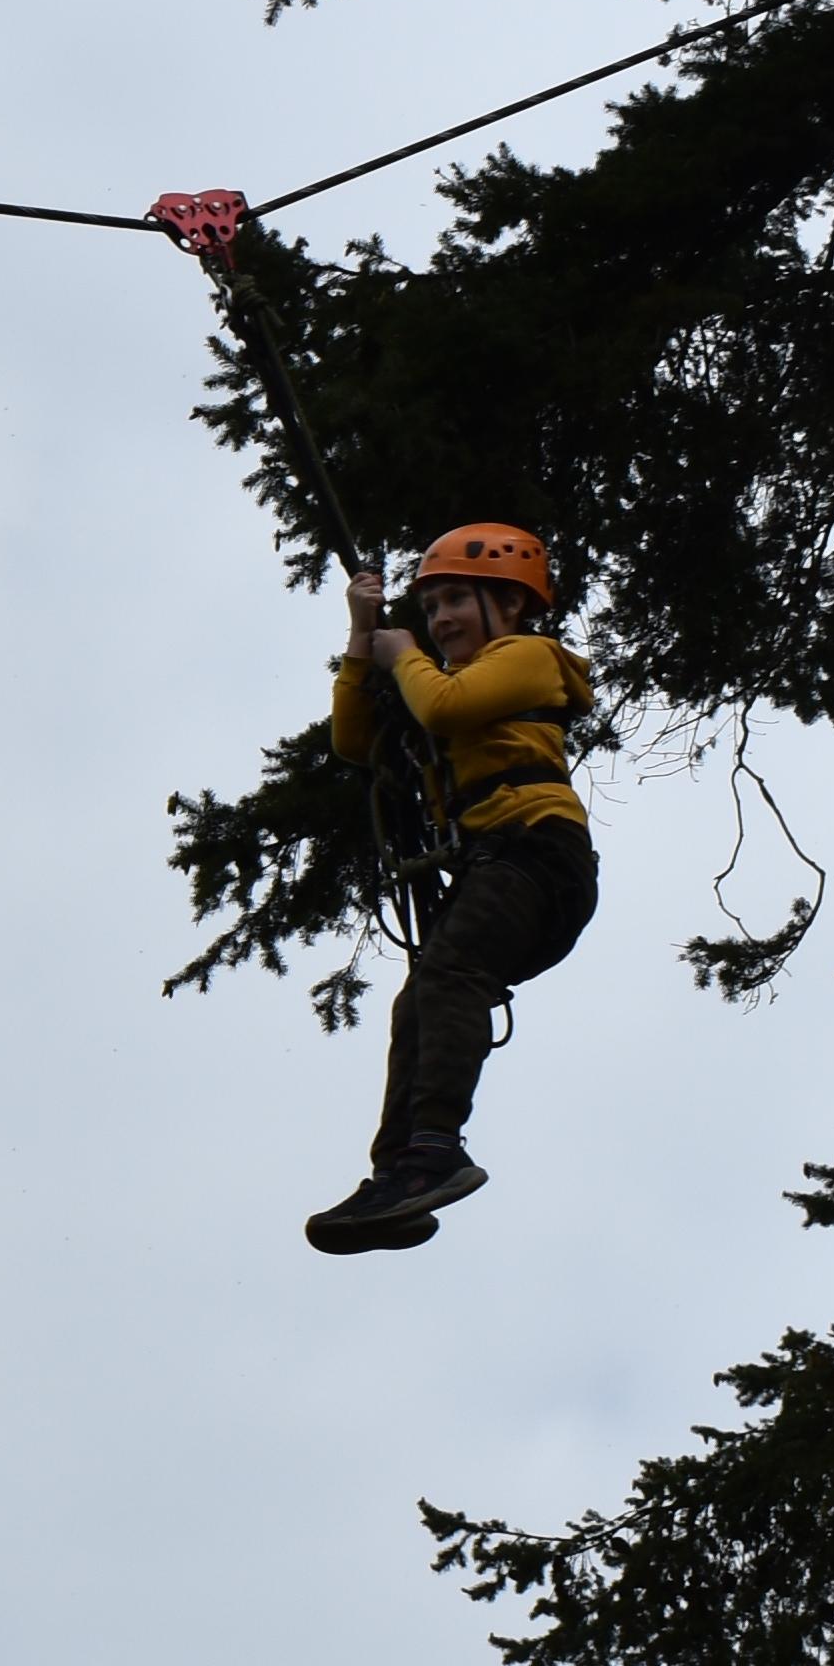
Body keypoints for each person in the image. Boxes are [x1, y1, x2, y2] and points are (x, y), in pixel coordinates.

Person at [305, 524, 594, 1254]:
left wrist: (401, 652)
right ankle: (398, 1172)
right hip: (496, 864)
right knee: (421, 999)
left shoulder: (528, 656)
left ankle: (435, 1150)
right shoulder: (441, 681)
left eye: (458, 601)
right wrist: (361, 638)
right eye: (432, 608)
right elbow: (355, 741)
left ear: (511, 605)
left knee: (449, 974)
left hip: (536, 852)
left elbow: (441, 708)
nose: (440, 620)